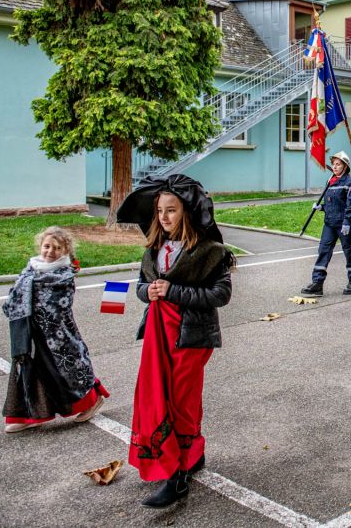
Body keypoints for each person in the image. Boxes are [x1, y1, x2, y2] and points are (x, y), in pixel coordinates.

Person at [117, 174, 234, 509]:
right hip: (158, 335)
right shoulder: (154, 249)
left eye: (171, 210)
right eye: (159, 211)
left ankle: (177, 476)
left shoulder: (210, 251)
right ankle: (192, 454)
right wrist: (149, 292)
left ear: (187, 212)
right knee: (158, 396)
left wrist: (174, 291)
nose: (164, 217)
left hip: (191, 336)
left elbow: (220, 295)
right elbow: (141, 286)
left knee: (180, 401)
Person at [1, 227, 107, 434]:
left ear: (65, 251)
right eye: (47, 246)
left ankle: (92, 400)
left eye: (57, 248)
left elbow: (60, 306)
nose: (50, 251)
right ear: (40, 246)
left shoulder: (64, 276)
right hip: (28, 330)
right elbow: (15, 294)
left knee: (65, 371)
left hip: (56, 334)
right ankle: (29, 415)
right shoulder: (30, 269)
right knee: (29, 370)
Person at [300, 151, 351, 297]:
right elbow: (331, 202)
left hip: (345, 224)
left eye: (338, 164)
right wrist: (321, 207)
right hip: (330, 223)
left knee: (349, 252)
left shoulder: (350, 182)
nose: (335, 167)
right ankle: (317, 283)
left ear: (345, 166)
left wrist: (347, 222)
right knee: (323, 251)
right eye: (333, 164)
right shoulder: (330, 181)